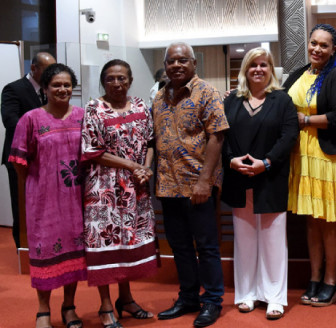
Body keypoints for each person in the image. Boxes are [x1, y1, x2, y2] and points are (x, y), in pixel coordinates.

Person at [153, 42, 229, 328]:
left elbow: (217, 137)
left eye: (183, 60)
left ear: (194, 64)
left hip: (198, 185)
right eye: (171, 61)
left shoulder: (207, 93)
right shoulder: (159, 97)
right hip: (168, 186)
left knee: (207, 246)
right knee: (180, 246)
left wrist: (205, 181)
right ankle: (187, 297)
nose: (176, 66)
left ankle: (212, 301)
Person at [220, 47, 298, 320]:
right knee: (244, 241)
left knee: (273, 240)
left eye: (264, 65)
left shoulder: (282, 100)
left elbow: (289, 137)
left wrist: (265, 163)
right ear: (245, 70)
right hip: (238, 179)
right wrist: (231, 161)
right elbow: (222, 137)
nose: (258, 69)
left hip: (271, 179)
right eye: (253, 65)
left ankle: (274, 297)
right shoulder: (230, 101)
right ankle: (247, 294)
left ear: (271, 69)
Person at [282, 23, 336, 307]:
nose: (317, 49)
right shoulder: (298, 74)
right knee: (311, 221)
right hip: (301, 155)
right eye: (314, 43)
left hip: (330, 157)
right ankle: (314, 277)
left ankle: (331, 279)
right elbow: (279, 103)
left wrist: (305, 121)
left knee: (330, 223)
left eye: (324, 45)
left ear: (333, 49)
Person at [80, 59, 157, 327]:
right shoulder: (94, 108)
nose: (117, 83)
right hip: (104, 189)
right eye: (111, 78)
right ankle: (104, 306)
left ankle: (125, 298)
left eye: (122, 78)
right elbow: (93, 151)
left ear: (131, 79)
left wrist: (145, 169)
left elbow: (149, 142)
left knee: (128, 242)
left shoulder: (140, 106)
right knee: (105, 243)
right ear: (103, 81)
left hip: (136, 185)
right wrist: (134, 166)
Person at [9, 63, 87, 328]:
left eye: (67, 85)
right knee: (45, 253)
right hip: (43, 201)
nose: (62, 89)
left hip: (76, 199)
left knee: (74, 252)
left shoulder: (82, 117)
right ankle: (43, 309)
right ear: (44, 88)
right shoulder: (30, 119)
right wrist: (38, 185)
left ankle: (69, 307)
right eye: (56, 85)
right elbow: (18, 161)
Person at [1, 51, 56, 248]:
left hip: (46, 159)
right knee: (22, 206)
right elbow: (11, 122)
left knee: (43, 205)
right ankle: (23, 248)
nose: (53, 74)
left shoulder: (49, 90)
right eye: (48, 70)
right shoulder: (13, 89)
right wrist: (39, 136)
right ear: (34, 68)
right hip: (20, 158)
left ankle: (44, 244)